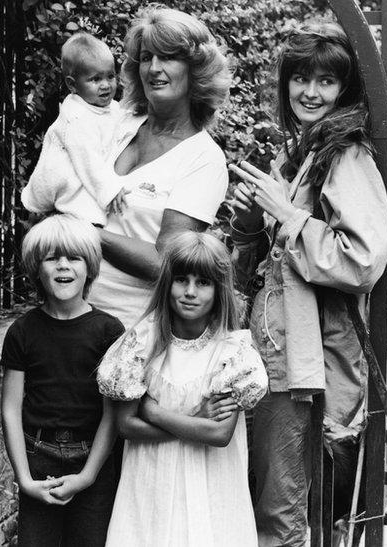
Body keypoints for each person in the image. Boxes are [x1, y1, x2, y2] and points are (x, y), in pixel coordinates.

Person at [229, 23, 387, 547]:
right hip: (272, 357)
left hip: (309, 364)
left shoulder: (346, 155)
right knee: (270, 507)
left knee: (288, 519)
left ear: (344, 89)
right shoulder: (298, 155)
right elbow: (265, 268)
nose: (310, 92)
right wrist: (255, 223)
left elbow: (363, 259)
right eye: (300, 77)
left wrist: (289, 218)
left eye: (326, 80)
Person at [96, 231, 268, 547]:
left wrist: (152, 410)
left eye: (202, 283)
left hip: (214, 483)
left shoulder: (232, 353)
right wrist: (195, 419)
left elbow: (218, 434)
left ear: (219, 290)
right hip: (152, 486)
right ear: (167, 284)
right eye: (181, 280)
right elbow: (126, 426)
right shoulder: (141, 343)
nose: (190, 292)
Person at [89, 6, 232, 328]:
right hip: (69, 317)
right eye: (146, 57)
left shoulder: (203, 159)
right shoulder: (117, 125)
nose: (154, 68)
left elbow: (166, 262)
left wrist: (87, 234)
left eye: (168, 57)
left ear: (196, 69)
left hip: (134, 328)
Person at [0, 214, 125, 547]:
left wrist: (87, 477)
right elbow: (10, 410)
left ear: (90, 268)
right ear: (36, 269)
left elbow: (113, 415)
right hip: (38, 459)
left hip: (93, 464)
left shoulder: (109, 331)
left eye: (74, 257)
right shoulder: (22, 331)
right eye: (52, 258)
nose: (63, 266)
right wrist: (25, 481)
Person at [21, 32, 125, 226]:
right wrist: (109, 188)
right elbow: (88, 158)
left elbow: (121, 122)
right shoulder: (76, 116)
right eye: (95, 79)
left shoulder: (111, 107)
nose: (105, 85)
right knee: (79, 204)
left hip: (87, 177)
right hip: (66, 185)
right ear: (72, 84)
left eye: (110, 76)